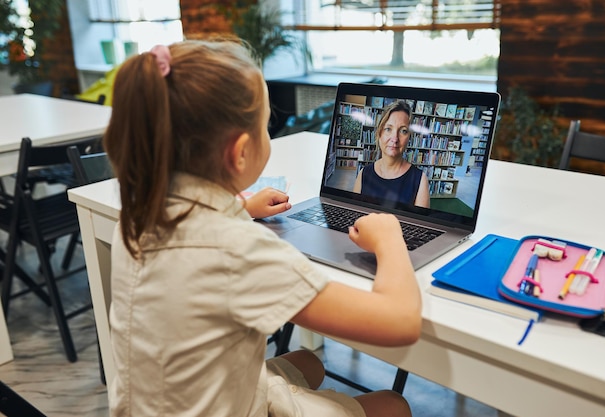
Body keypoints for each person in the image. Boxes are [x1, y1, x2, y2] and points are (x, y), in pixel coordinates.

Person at [103, 39, 422, 417]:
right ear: (239, 153)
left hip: (165, 402)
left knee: (310, 362)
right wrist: (390, 240)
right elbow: (400, 323)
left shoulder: (141, 212)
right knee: (393, 405)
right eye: (266, 126)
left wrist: (242, 209)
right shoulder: (240, 252)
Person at [353, 101, 430, 208]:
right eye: (388, 129)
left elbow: (419, 224)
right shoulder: (364, 174)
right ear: (379, 133)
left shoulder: (420, 180)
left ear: (409, 138)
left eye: (403, 131)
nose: (395, 139)